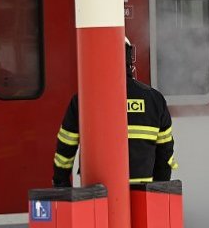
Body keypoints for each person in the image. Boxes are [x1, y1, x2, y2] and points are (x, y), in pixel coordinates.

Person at [52, 37, 177, 188]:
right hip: (144, 195)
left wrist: (61, 183)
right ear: (129, 60)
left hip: (97, 195)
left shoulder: (83, 99)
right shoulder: (155, 100)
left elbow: (65, 147)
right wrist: (158, 190)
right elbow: (165, 153)